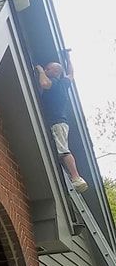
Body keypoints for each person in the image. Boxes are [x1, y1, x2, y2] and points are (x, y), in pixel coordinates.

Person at [35, 51, 88, 192]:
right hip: (61, 122)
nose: (46, 70)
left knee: (63, 150)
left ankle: (76, 178)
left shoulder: (55, 83)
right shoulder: (65, 82)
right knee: (61, 148)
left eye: (48, 69)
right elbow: (71, 73)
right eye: (45, 68)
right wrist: (68, 59)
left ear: (55, 71)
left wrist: (40, 71)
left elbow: (44, 84)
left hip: (57, 123)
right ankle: (74, 176)